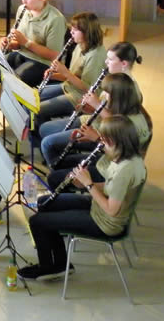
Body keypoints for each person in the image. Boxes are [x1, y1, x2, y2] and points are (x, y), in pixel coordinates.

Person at [19, 115, 146, 281]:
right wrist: (83, 184)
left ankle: (48, 267)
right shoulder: (130, 157)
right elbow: (113, 187)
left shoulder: (125, 169)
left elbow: (112, 210)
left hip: (105, 222)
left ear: (115, 142)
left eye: (104, 140)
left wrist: (89, 184)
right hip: (100, 206)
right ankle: (58, 263)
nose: (101, 143)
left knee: (37, 221)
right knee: (44, 203)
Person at [43, 73, 152, 178]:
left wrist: (96, 138)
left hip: (110, 169)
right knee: (56, 157)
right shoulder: (125, 107)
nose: (105, 96)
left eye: (108, 93)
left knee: (54, 175)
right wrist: (91, 111)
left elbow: (122, 156)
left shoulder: (133, 124)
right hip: (104, 151)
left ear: (119, 97)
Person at [0, 0, 67, 92]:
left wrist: (26, 43)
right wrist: (11, 44)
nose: (23, 1)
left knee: (13, 85)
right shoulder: (22, 9)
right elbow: (19, 43)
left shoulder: (56, 19)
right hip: (21, 54)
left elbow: (54, 55)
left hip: (42, 63)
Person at [34, 12, 106, 138]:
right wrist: (55, 75)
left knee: (36, 110)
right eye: (71, 28)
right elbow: (74, 76)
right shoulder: (79, 45)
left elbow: (88, 88)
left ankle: (44, 140)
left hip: (79, 97)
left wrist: (64, 72)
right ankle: (45, 133)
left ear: (87, 32)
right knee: (32, 100)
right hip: (68, 87)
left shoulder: (95, 55)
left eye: (76, 29)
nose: (71, 31)